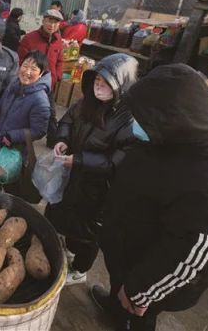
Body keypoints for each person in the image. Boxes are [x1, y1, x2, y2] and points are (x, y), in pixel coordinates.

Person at [92, 64, 208, 331]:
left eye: (142, 117)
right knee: (119, 291)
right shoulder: (172, 136)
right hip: (128, 247)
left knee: (140, 314)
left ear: (170, 117)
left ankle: (129, 313)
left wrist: (140, 291)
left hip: (150, 276)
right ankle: (115, 306)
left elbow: (190, 256)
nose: (135, 122)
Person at [45, 53, 138, 286]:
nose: (99, 86)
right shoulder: (86, 102)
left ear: (121, 86)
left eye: (106, 83)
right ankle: (66, 250)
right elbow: (67, 120)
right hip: (72, 176)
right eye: (96, 80)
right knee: (61, 212)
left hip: (98, 188)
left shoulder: (128, 120)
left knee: (87, 231)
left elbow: (117, 161)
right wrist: (63, 138)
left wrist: (79, 160)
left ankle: (80, 270)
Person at [0, 50, 52, 152]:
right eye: (25, 66)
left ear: (41, 74)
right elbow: (3, 105)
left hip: (13, 148)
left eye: (33, 69)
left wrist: (13, 136)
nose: (27, 72)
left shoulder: (40, 101)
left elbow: (39, 131)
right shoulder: (14, 84)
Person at [18, 9, 64, 89]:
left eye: (56, 22)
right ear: (43, 21)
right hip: (30, 84)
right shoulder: (29, 38)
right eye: (49, 21)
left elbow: (60, 60)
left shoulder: (58, 40)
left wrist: (56, 77)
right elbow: (21, 61)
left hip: (49, 85)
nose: (52, 25)